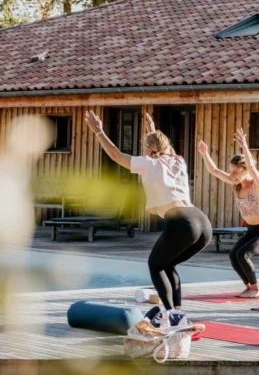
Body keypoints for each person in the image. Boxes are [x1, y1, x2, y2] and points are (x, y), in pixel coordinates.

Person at [84, 111, 211, 324]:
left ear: (148, 150)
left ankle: (172, 316)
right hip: (202, 222)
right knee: (168, 264)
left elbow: (115, 155)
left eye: (145, 146)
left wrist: (99, 131)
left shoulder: (148, 164)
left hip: (182, 222)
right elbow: (163, 149)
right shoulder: (178, 160)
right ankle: (177, 312)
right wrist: (152, 132)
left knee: (155, 265)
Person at [198, 128, 259, 298]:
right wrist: (205, 154)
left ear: (245, 171)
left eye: (235, 171)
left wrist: (245, 147)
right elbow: (214, 171)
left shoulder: (257, 185)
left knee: (243, 254)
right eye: (231, 171)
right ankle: (248, 287)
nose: (232, 175)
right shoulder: (236, 184)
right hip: (252, 230)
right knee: (234, 255)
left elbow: (252, 166)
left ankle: (255, 289)